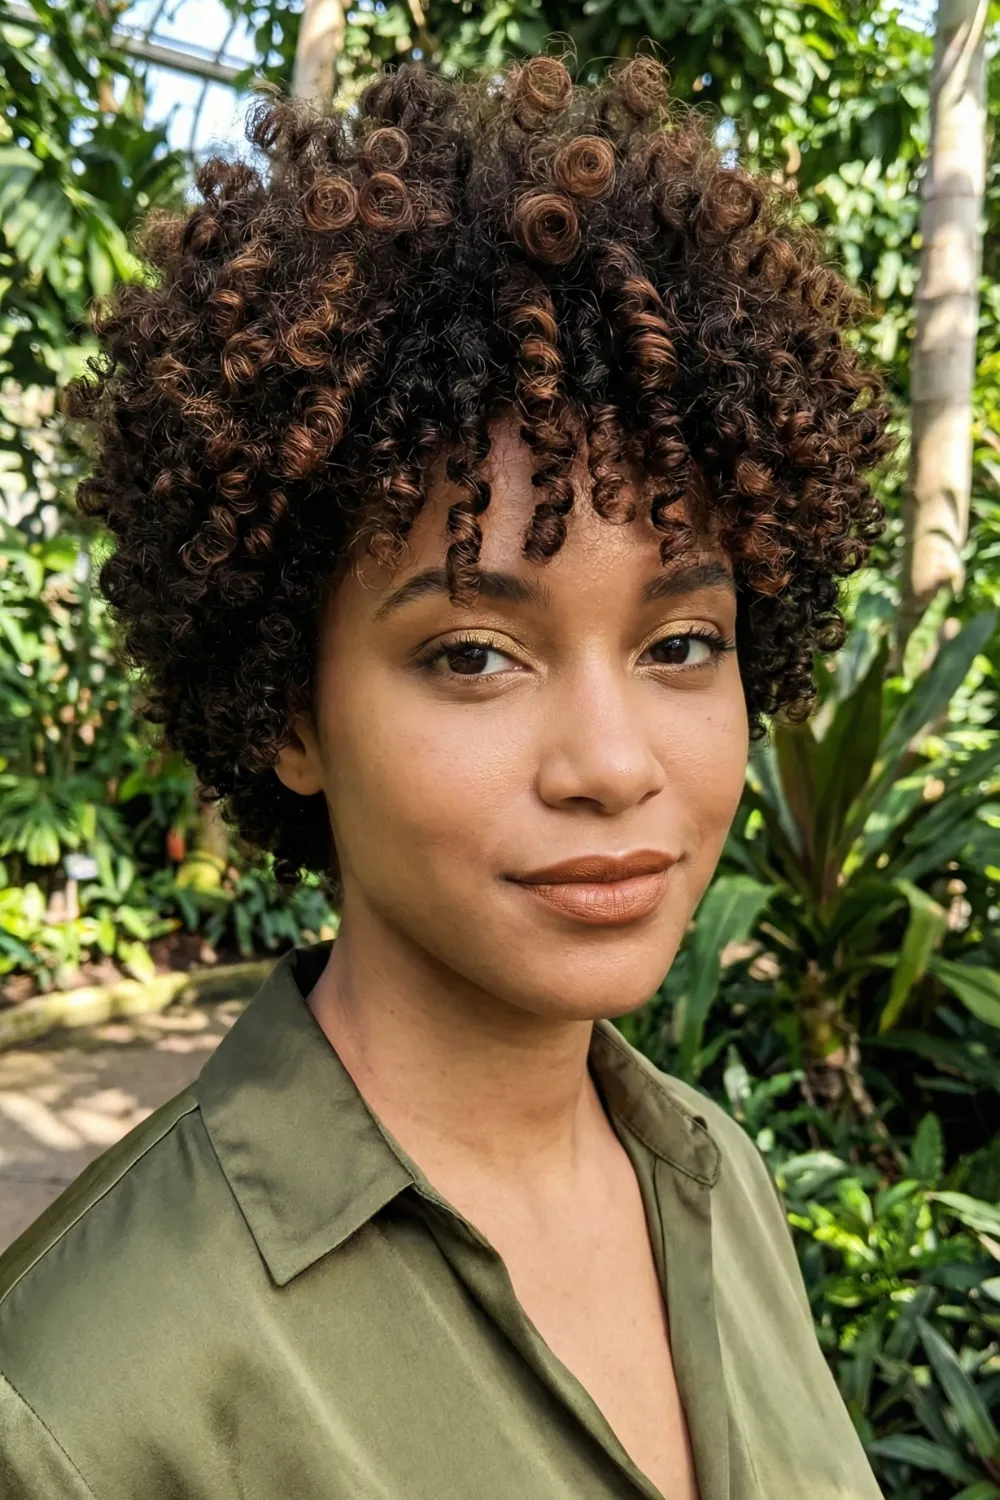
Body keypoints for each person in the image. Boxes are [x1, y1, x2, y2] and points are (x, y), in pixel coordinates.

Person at [0, 56, 890, 1500]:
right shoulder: (76, 1404)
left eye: (679, 641)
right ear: (291, 708)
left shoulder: (713, 1180)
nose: (611, 765)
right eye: (475, 655)